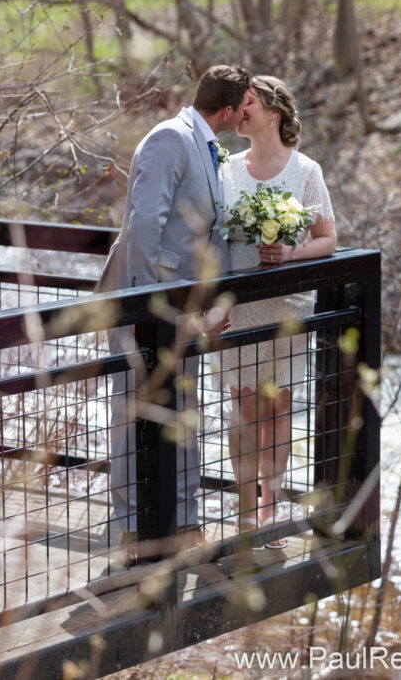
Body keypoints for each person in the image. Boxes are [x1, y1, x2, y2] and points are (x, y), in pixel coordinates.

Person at [97, 64, 252, 556]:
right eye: (243, 109)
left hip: (186, 308)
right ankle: (130, 530)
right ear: (226, 111)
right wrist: (147, 309)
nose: (245, 117)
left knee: (185, 411)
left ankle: (185, 523)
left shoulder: (206, 144)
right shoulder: (170, 139)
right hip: (147, 304)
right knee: (132, 413)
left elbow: (208, 232)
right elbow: (145, 226)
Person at [220, 75, 336, 550]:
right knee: (244, 409)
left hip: (288, 308)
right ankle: (246, 514)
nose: (238, 109)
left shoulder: (306, 171)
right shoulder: (226, 169)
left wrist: (291, 254)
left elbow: (328, 239)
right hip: (239, 308)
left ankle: (270, 510)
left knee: (278, 409)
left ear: (274, 112)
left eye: (247, 102)